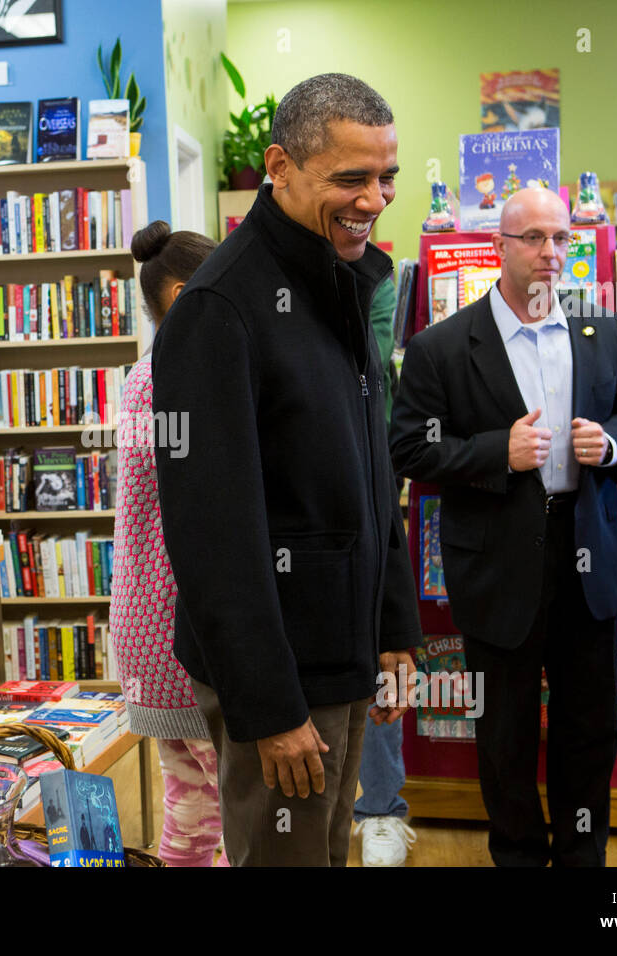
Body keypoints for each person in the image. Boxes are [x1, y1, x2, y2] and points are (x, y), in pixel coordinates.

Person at [152, 73, 422, 867]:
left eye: (386, 178)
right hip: (282, 678)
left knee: (329, 853)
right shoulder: (219, 310)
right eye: (350, 178)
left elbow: (373, 470)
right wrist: (269, 707)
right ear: (279, 166)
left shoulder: (337, 282)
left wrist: (394, 621)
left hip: (342, 647)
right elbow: (209, 535)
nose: (373, 199)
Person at [390, 187, 617, 866]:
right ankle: (516, 857)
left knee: (588, 727)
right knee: (504, 734)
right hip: (498, 560)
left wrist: (614, 442)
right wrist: (493, 453)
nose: (549, 252)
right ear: (499, 247)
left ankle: (579, 857)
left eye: (560, 238)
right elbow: (411, 449)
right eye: (534, 238)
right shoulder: (440, 347)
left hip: (585, 549)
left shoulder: (598, 330)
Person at [110, 219, 225, 867]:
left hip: (151, 627)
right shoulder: (178, 381)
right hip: (178, 630)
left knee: (191, 806)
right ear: (184, 295)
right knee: (231, 811)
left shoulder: (146, 376)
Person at [353, 272, 419, 867]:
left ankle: (379, 808)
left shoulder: (376, 278)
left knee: (382, 647)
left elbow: (373, 363)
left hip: (371, 474)